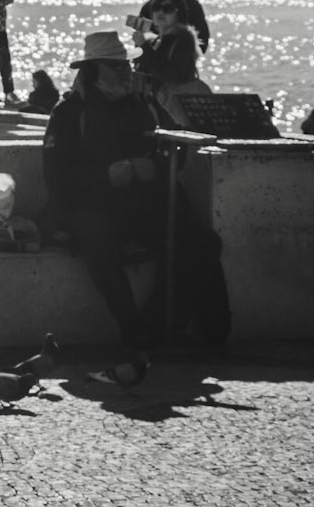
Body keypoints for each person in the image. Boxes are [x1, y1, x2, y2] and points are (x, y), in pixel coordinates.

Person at [43, 31, 230, 358]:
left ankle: (158, 324)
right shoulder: (69, 112)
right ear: (92, 70)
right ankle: (131, 327)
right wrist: (105, 177)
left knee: (202, 242)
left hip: (140, 203)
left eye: (124, 66)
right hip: (90, 206)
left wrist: (154, 167)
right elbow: (57, 177)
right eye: (114, 68)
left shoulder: (144, 104)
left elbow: (177, 147)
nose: (123, 73)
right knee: (98, 239)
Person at [131, 0, 206, 125]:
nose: (161, 12)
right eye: (157, 7)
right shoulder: (156, 40)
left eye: (167, 9)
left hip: (174, 107)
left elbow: (171, 74)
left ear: (178, 14)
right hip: (160, 106)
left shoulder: (184, 39)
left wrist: (144, 48)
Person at [138, 0, 210, 55]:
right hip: (189, 58)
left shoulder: (152, 6)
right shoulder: (194, 5)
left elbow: (139, 38)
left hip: (158, 60)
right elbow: (204, 36)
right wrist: (193, 56)